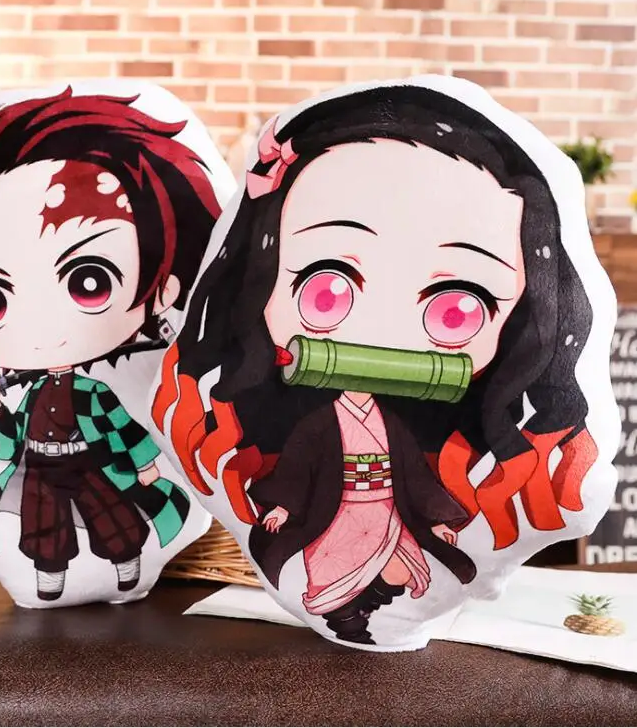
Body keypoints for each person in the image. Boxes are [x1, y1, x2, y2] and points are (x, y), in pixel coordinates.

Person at [152, 85, 597, 644]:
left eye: (457, 309)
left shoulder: (412, 431)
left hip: (386, 510)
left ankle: (371, 610)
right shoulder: (312, 422)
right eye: (326, 290)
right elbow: (295, 464)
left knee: (396, 569)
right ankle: (350, 614)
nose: (383, 334)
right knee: (334, 568)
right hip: (335, 512)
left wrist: (439, 517)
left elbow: (416, 475)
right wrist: (280, 506)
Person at [0, 88, 220, 601]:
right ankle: (50, 576)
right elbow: (9, 438)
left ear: (167, 289)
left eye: (90, 281)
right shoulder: (31, 394)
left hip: (89, 462)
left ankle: (126, 563)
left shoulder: (92, 392)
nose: (41, 328)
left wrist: (146, 463)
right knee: (43, 527)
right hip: (40, 468)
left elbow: (124, 425)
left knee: (112, 515)